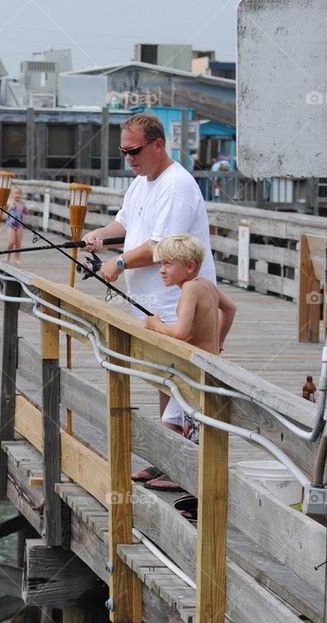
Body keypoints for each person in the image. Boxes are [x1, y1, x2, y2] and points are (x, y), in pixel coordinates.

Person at [82, 112, 217, 489]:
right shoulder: (141, 183)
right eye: (124, 152)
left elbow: (161, 247)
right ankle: (167, 458)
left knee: (185, 381)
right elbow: (124, 226)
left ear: (158, 144)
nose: (129, 158)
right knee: (163, 378)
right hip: (150, 300)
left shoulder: (178, 185)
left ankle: (187, 467)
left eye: (135, 150)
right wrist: (99, 236)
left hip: (180, 300)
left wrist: (119, 262)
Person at [144, 235, 237, 441]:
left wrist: (155, 324)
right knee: (173, 421)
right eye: (160, 263)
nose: (161, 270)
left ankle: (174, 471)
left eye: (167, 264)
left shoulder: (190, 288)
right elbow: (230, 309)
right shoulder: (205, 284)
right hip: (205, 366)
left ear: (190, 266)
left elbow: (181, 333)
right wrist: (217, 342)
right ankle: (169, 470)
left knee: (185, 427)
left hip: (196, 372)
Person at [4, 186, 28, 264]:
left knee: (18, 242)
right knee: (11, 242)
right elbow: (4, 206)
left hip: (20, 225)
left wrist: (27, 210)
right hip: (11, 224)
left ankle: (18, 258)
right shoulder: (10, 202)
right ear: (12, 194)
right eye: (15, 193)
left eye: (19, 193)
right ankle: (7, 255)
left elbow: (24, 212)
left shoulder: (22, 204)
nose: (17, 195)